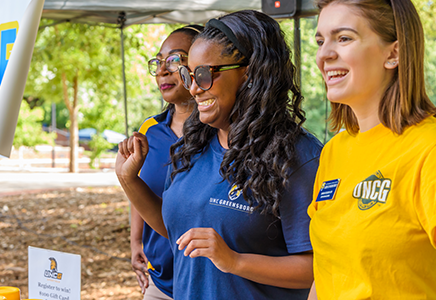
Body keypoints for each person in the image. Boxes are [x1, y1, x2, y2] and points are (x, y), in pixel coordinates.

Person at [116, 10, 322, 300]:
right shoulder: (192, 145)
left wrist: (235, 261)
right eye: (189, 75)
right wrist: (129, 180)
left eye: (204, 74)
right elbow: (179, 232)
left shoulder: (297, 156)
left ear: (249, 73)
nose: (194, 88)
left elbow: (318, 267)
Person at [308, 0, 436, 299]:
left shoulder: (434, 150)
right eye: (321, 41)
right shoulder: (334, 151)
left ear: (394, 53)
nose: (324, 54)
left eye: (343, 38)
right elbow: (326, 274)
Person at [120, 25, 203, 300]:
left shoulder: (222, 131)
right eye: (158, 61)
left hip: (210, 280)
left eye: (175, 59)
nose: (162, 71)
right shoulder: (149, 130)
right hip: (161, 282)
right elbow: (140, 189)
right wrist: (135, 242)